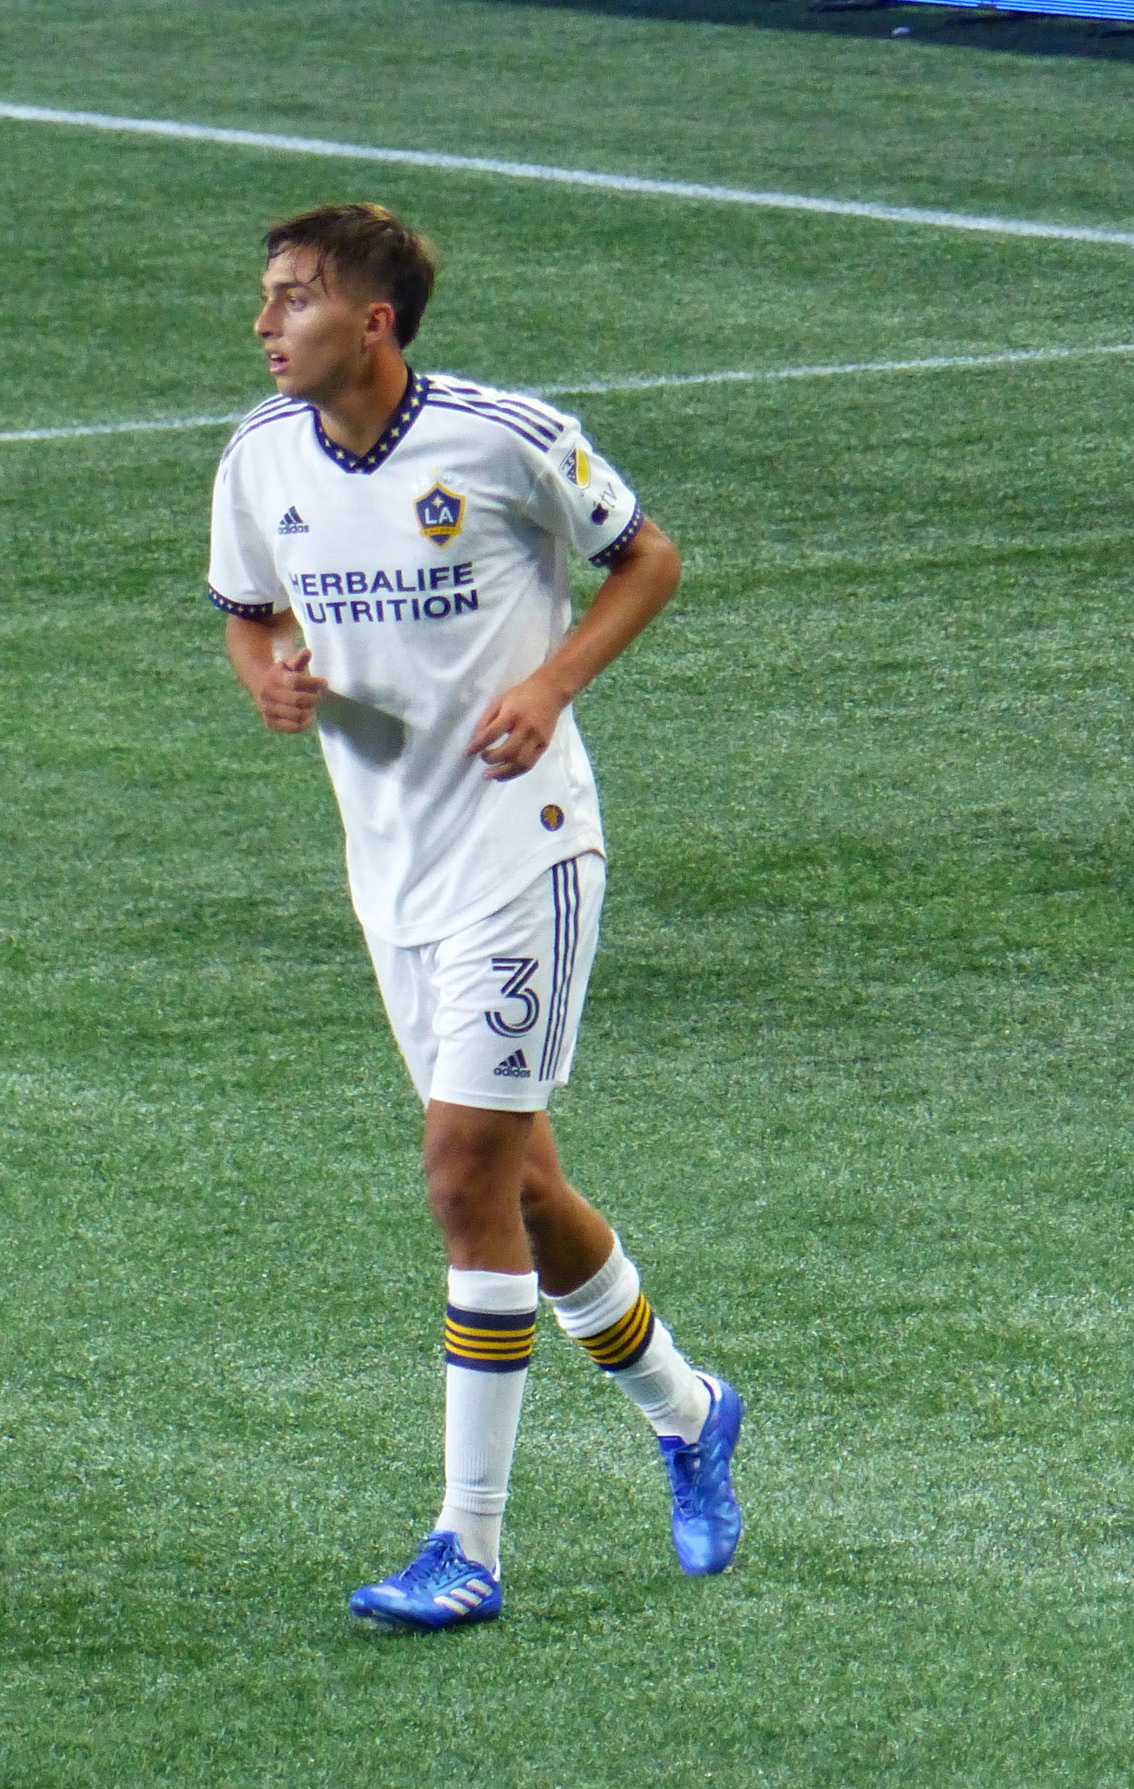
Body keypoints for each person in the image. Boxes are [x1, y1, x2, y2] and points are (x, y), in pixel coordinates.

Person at [208, 202, 742, 1631]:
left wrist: (551, 685)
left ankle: (470, 1545)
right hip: (389, 868)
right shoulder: (260, 458)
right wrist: (264, 676)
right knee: (521, 1189)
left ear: (373, 321)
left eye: (295, 297)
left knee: (459, 1177)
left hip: (525, 852)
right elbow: (247, 611)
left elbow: (650, 558)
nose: (265, 323)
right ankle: (690, 1411)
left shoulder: (503, 438)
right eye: (266, 296)